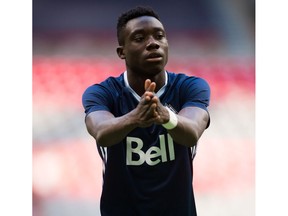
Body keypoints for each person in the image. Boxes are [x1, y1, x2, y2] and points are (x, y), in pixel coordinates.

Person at [82, 5, 210, 216]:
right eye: (139, 38)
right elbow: (102, 133)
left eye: (159, 36)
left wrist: (165, 116)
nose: (153, 43)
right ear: (121, 52)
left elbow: (192, 132)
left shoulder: (190, 87)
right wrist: (135, 117)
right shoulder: (102, 93)